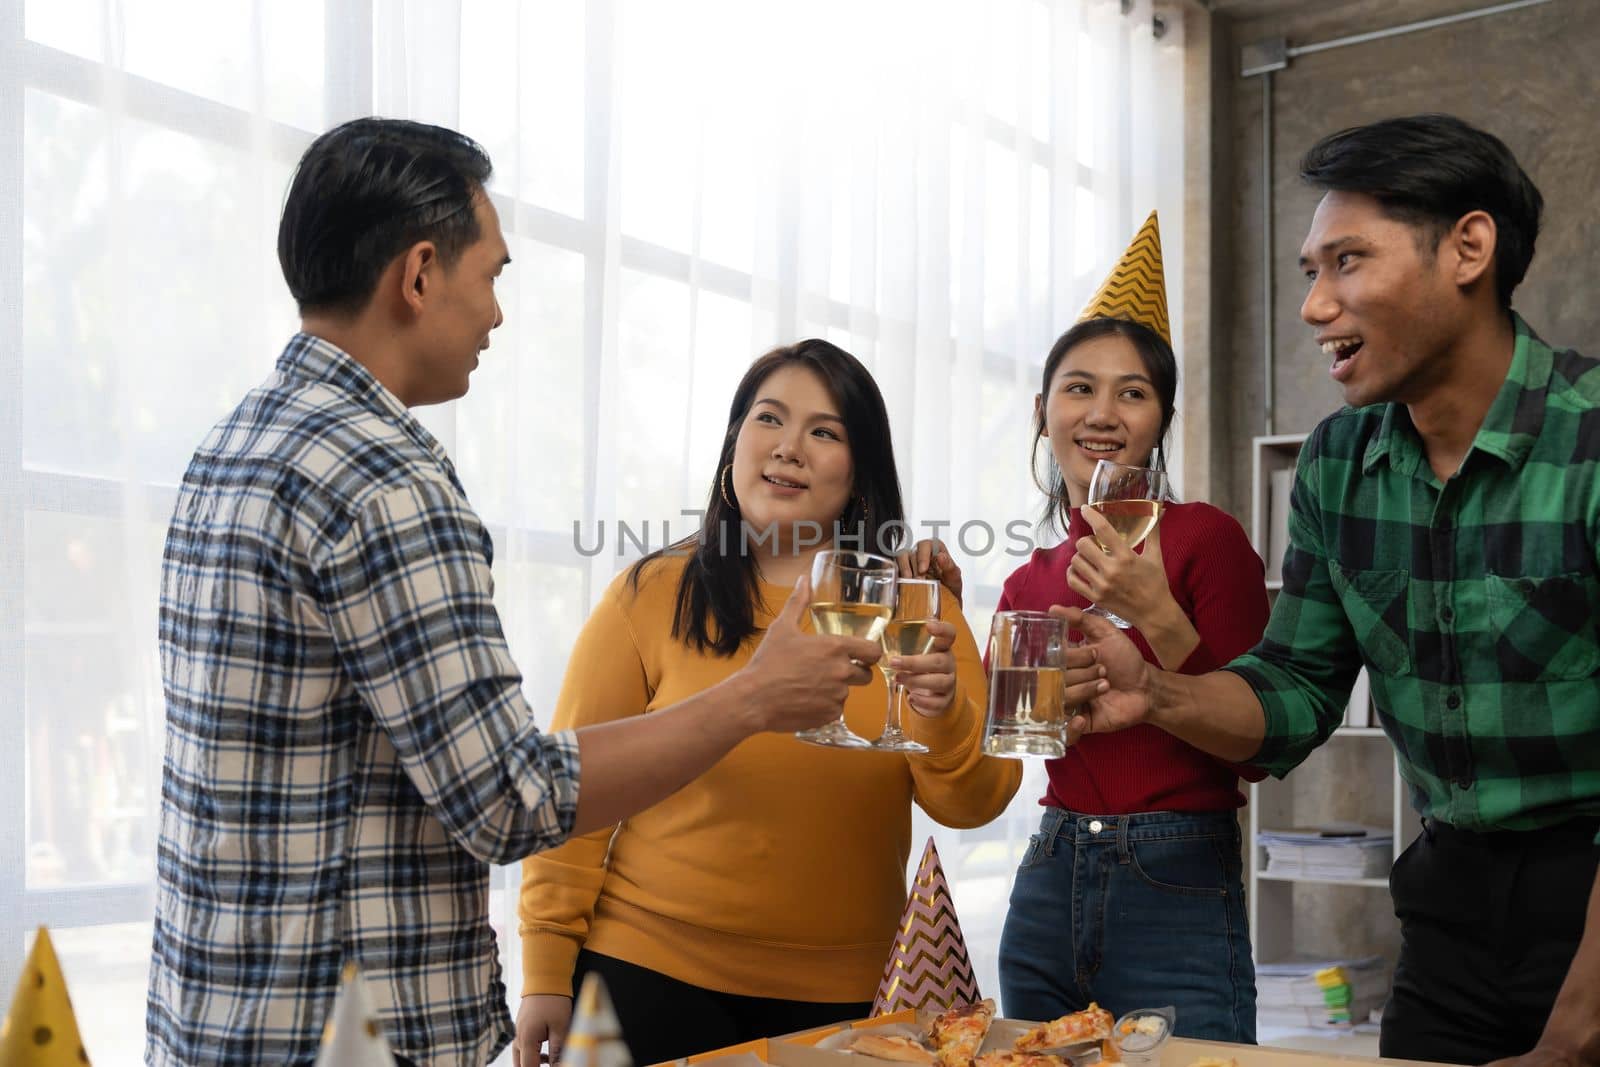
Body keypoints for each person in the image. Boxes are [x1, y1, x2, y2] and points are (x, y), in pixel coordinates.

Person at [146, 119, 883, 1067]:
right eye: (490, 274)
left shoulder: (233, 444)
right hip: (348, 1030)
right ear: (419, 275)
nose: (497, 313)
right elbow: (510, 796)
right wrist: (753, 698)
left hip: (221, 1011)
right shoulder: (388, 484)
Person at [1059, 115, 1600, 1065]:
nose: (1314, 306)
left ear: (1469, 248)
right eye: (1311, 271)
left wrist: (1571, 1039)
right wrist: (1157, 691)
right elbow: (1294, 693)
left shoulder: (1591, 438)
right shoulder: (1338, 462)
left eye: (1345, 262)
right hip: (1448, 913)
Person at [513, 339, 1021, 1065]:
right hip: (641, 975)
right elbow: (572, 798)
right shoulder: (649, 594)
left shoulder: (919, 603)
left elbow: (977, 801)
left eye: (824, 431)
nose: (789, 447)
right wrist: (544, 975)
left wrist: (940, 714)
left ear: (860, 472)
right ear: (733, 445)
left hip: (848, 1004)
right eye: (769, 418)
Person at [990, 213, 1268, 1040]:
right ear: (1043, 412)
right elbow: (1005, 745)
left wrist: (1159, 619)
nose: (1103, 411)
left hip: (1178, 870)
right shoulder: (1023, 582)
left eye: (1133, 391)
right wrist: (1042, 710)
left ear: (1160, 419)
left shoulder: (1208, 539)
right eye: (1079, 387)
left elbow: (1259, 745)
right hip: (1048, 869)